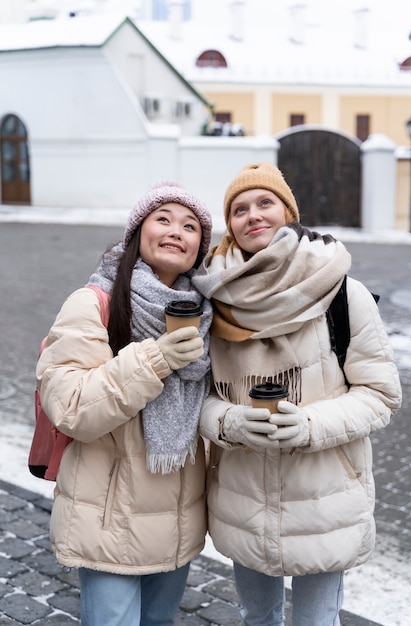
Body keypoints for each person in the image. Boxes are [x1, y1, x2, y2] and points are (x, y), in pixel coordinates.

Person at [192, 162, 402, 626]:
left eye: (265, 203)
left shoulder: (342, 292)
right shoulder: (213, 298)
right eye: (240, 209)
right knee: (258, 619)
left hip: (326, 495)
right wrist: (226, 422)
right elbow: (193, 396)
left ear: (288, 212)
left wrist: (308, 426)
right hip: (243, 497)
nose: (253, 216)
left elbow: (381, 395)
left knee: (317, 622)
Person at [36, 182, 213, 626]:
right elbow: (72, 408)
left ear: (198, 248)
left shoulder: (207, 315)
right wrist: (155, 360)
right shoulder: (92, 303)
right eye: (163, 219)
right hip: (107, 518)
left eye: (190, 226)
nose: (176, 231)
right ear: (138, 232)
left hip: (177, 520)